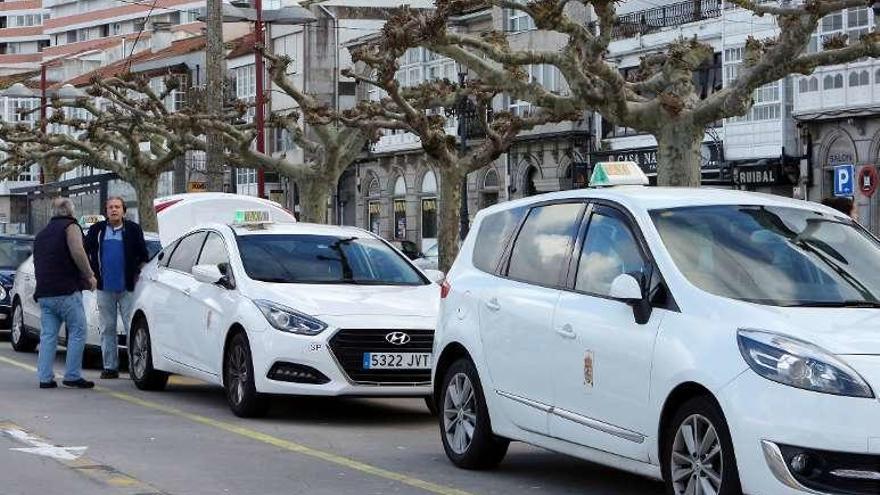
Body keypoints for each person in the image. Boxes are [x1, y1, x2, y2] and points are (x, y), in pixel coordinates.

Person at [33, 197, 97, 389]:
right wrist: (90, 275)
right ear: (71, 211)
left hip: (45, 292)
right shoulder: (71, 227)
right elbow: (78, 251)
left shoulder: (42, 234)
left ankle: (45, 378)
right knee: (78, 330)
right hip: (66, 290)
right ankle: (72, 375)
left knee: (48, 335)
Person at [85, 197, 149, 379]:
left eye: (117, 207)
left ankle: (134, 368)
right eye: (111, 207)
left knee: (131, 328)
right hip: (104, 288)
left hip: (128, 289)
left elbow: (143, 255)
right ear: (106, 211)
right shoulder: (97, 230)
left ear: (124, 210)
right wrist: (91, 275)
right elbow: (84, 251)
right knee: (107, 328)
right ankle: (110, 367)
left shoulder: (133, 230)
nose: (114, 210)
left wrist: (137, 273)